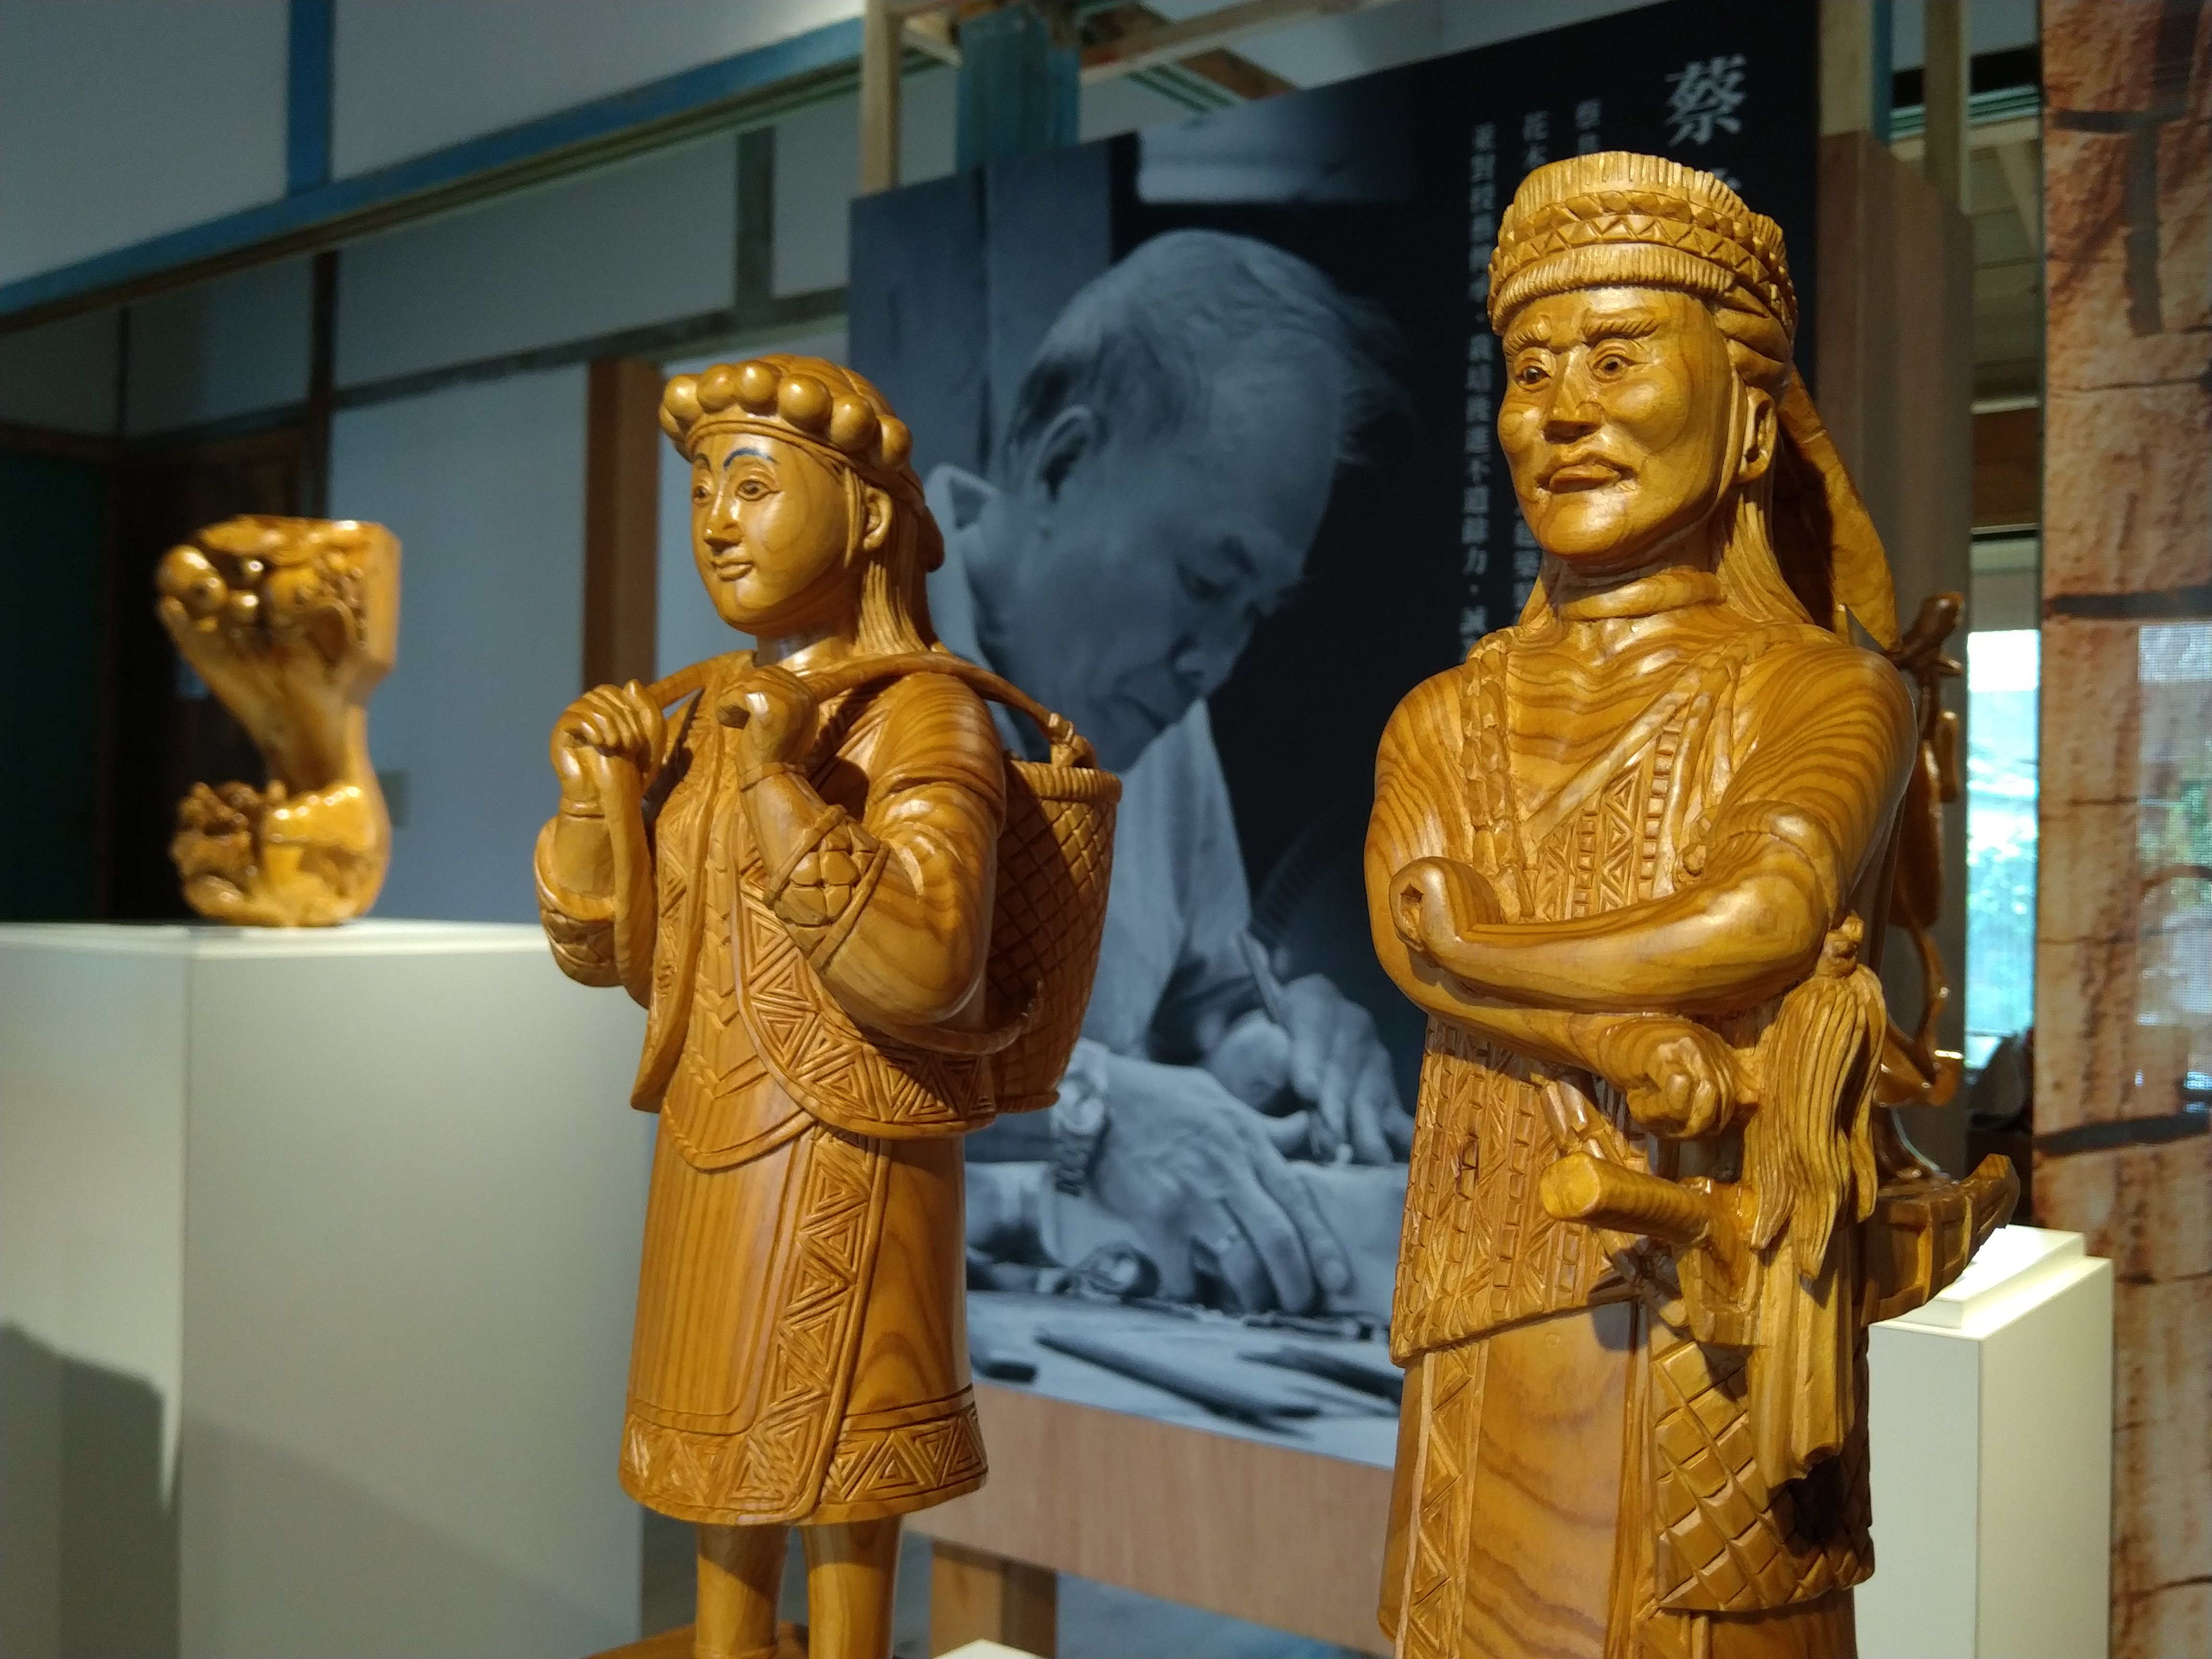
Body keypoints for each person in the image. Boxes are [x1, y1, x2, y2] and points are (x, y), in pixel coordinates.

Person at [1365, 152, 2010, 1659]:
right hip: (1478, 1287)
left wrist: (1480, 947)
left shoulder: (1826, 693)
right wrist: (1603, 1028)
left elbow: (1762, 919)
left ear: (1748, 420)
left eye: (1614, 358)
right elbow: (1409, 940)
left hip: (1716, 1303)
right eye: (1532, 371)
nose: (1562, 409)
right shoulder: (1440, 717)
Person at [538, 356, 1039, 1659]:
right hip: (715, 1134)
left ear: (865, 515)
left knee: (844, 1470)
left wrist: (774, 783)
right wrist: (598, 803)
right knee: (719, 1462)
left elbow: (929, 962)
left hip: (856, 1144)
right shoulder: (706, 709)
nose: (716, 521)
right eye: (703, 490)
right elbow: (620, 960)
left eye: (754, 486)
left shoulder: (925, 716)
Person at [927, 228, 1411, 1315]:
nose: (1214, 663)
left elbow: (1207, 996)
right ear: (1061, 465)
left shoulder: (1159, 716)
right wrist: (1090, 1117)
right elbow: (802, 1043)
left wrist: (1279, 1047)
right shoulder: (833, 669)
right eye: (1203, 582)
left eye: (1256, 613)